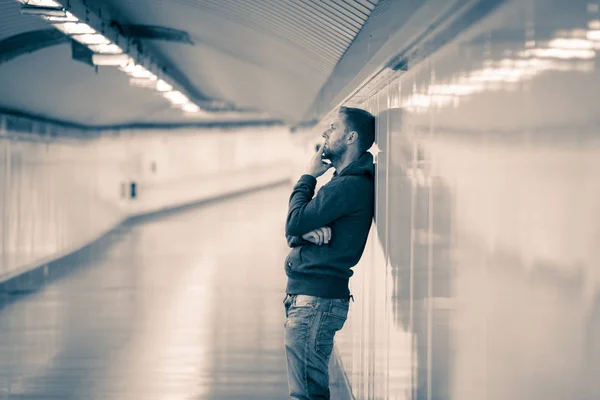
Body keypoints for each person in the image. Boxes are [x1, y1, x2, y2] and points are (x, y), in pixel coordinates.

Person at [283, 106, 376, 399]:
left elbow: (294, 221)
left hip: (315, 302)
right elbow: (292, 229)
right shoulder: (344, 182)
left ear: (351, 137)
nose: (325, 132)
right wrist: (300, 232)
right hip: (313, 300)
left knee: (307, 395)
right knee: (307, 393)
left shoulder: (348, 185)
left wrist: (308, 176)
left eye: (333, 127)